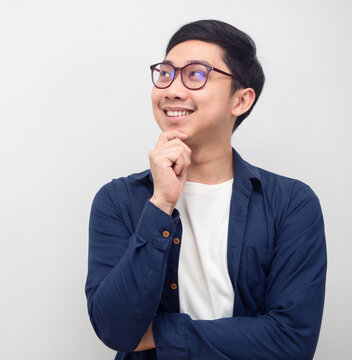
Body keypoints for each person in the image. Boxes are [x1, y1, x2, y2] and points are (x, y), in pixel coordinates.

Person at [85, 19, 327, 360]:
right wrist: (161, 203)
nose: (171, 89)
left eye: (196, 75)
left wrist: (161, 333)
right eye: (166, 73)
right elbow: (117, 331)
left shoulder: (290, 204)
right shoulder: (119, 201)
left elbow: (291, 341)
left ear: (240, 101)